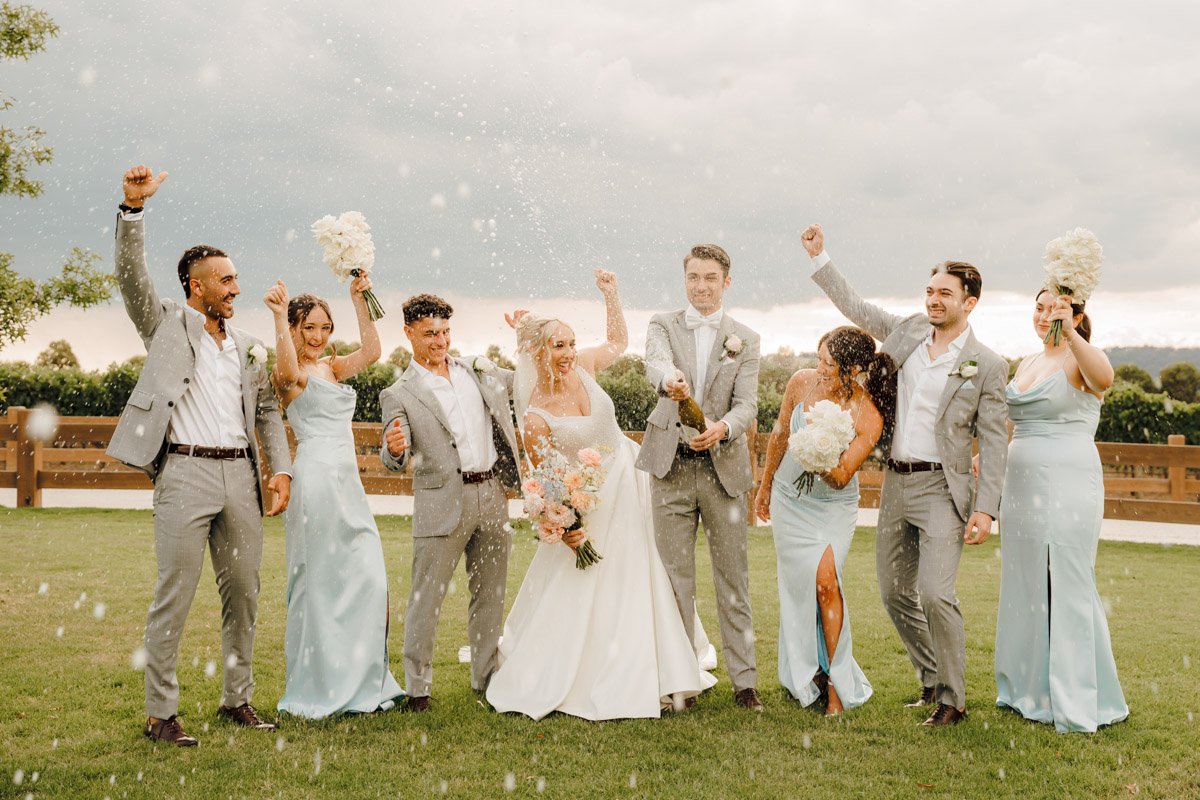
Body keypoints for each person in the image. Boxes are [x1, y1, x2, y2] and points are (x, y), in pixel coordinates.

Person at [106, 165, 292, 746]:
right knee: (175, 595)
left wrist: (281, 469)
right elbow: (131, 277)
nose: (235, 288)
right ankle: (160, 715)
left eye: (236, 279)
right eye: (225, 280)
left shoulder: (248, 348)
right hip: (184, 472)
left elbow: (267, 412)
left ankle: (237, 700)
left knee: (244, 595)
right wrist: (133, 210)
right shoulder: (165, 324)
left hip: (240, 477)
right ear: (197, 286)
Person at [485, 270, 717, 720]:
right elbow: (546, 481)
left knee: (648, 573)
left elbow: (617, 342)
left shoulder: (586, 367)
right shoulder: (535, 416)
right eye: (559, 345)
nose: (569, 353)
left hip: (631, 484)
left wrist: (611, 295)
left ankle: (660, 664)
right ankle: (598, 669)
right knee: (597, 583)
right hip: (589, 504)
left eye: (572, 343)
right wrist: (565, 523)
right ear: (537, 352)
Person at [802, 223, 1008, 726]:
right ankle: (931, 679)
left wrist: (985, 508)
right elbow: (856, 309)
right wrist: (820, 257)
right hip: (896, 482)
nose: (934, 300)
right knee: (895, 593)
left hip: (942, 488)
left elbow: (995, 440)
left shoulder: (986, 365)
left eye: (945, 293)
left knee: (936, 593)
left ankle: (953, 701)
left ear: (970, 302)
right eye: (930, 291)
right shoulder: (909, 330)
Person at [264, 280, 405, 718]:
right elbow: (288, 373)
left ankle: (361, 679)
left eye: (325, 327)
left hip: (348, 483)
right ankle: (320, 685)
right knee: (320, 584)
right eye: (309, 327)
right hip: (317, 482)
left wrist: (358, 300)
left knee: (369, 579)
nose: (318, 336)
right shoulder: (289, 374)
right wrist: (278, 317)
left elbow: (373, 352)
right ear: (294, 328)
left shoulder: (332, 367)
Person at [993, 290, 1128, 732]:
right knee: (1026, 578)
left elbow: (1104, 379)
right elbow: (1013, 424)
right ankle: (1027, 689)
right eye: (1039, 306)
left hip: (1067, 480)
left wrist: (1070, 333)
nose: (1043, 315)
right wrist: (988, 459)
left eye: (1054, 307)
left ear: (1075, 313)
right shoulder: (1027, 363)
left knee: (1066, 577)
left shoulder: (1083, 357)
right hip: (1021, 483)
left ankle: (1077, 696)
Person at [637, 244, 764, 712]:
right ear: (684, 279)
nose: (701, 286)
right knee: (674, 580)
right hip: (669, 468)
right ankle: (679, 682)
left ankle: (745, 683)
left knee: (733, 580)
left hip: (723, 472)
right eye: (693, 277)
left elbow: (748, 404)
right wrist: (668, 380)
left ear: (726, 282)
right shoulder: (662, 324)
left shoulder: (745, 339)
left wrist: (723, 428)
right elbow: (655, 361)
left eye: (710, 278)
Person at [380, 294, 521, 712]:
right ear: (408, 333)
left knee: (491, 592)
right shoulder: (398, 392)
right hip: (441, 502)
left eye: (444, 332)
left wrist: (526, 337)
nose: (440, 341)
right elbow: (392, 457)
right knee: (426, 599)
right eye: (430, 334)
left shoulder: (478, 370)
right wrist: (394, 448)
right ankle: (417, 690)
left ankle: (486, 678)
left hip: (492, 494)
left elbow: (529, 381)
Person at [754, 327, 896, 715]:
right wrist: (765, 486)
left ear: (853, 369)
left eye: (828, 364)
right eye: (818, 359)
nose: (819, 369)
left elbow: (842, 476)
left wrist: (816, 454)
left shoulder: (868, 414)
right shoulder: (801, 382)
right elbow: (779, 434)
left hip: (832, 506)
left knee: (827, 582)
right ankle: (808, 671)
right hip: (789, 499)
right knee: (800, 588)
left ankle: (836, 682)